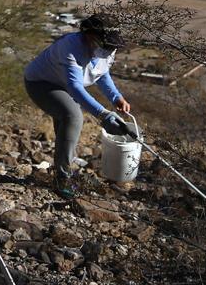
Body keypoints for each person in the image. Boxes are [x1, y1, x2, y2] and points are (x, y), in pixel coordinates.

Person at [24, 14, 131, 198]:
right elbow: (75, 87)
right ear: (88, 35)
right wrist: (104, 115)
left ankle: (65, 169)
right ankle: (63, 179)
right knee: (73, 116)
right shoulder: (71, 47)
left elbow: (102, 74)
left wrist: (116, 97)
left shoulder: (106, 48)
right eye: (104, 44)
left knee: (68, 127)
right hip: (41, 83)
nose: (109, 50)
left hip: (63, 85)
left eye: (112, 47)